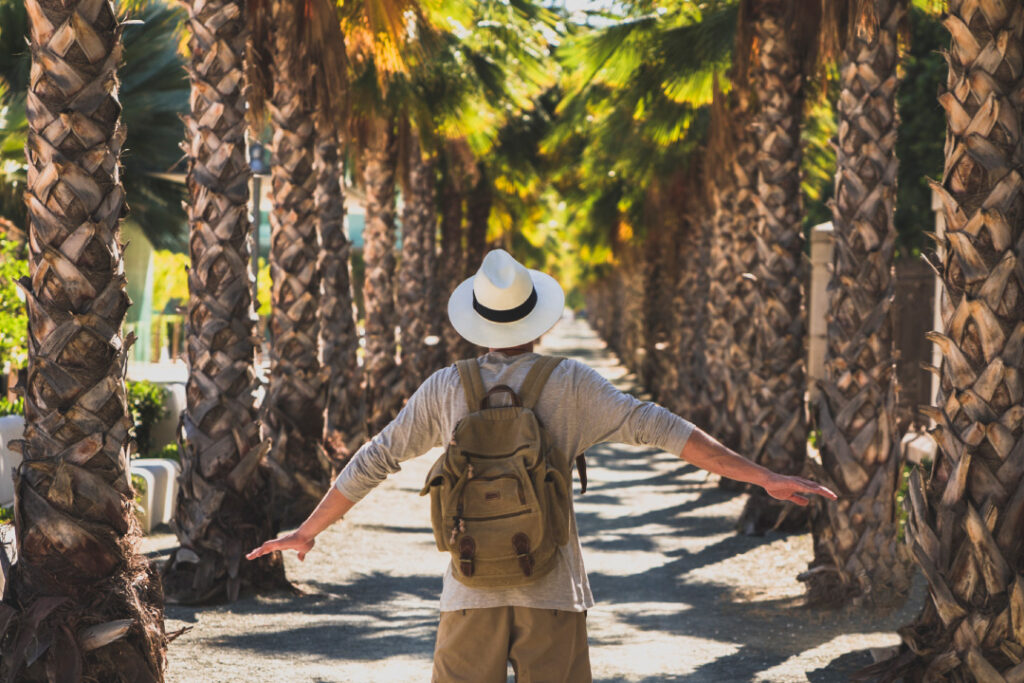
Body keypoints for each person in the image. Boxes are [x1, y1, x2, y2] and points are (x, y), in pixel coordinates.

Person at [246, 249, 837, 682]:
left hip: (469, 588)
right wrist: (764, 477)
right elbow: (666, 431)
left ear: (476, 320)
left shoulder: (445, 387)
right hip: (552, 584)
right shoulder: (573, 384)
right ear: (539, 321)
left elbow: (375, 458)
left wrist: (308, 531)